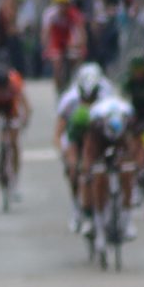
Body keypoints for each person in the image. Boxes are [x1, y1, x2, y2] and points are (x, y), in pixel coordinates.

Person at [55, 63, 115, 233]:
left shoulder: (107, 95)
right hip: (75, 136)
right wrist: (65, 155)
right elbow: (59, 131)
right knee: (76, 170)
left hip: (100, 135)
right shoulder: (69, 99)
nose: (89, 102)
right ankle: (77, 207)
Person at [82, 95, 138, 248]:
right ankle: (99, 228)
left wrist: (134, 165)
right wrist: (88, 169)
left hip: (122, 143)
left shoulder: (128, 118)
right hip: (99, 144)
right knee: (98, 179)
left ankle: (127, 222)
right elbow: (89, 150)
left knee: (127, 175)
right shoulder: (96, 122)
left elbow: (134, 145)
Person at [0, 64, 31, 196]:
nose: (0, 90)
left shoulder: (15, 83)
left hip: (10, 107)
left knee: (13, 143)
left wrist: (23, 120)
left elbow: (25, 106)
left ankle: (15, 179)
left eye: (3, 88)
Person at [40, 0, 87, 88]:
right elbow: (45, 33)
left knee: (76, 59)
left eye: (65, 4)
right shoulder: (50, 14)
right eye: (59, 4)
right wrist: (45, 48)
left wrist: (82, 46)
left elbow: (81, 31)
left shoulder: (74, 13)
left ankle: (73, 82)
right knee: (57, 63)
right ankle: (58, 86)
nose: (62, 7)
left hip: (69, 39)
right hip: (56, 40)